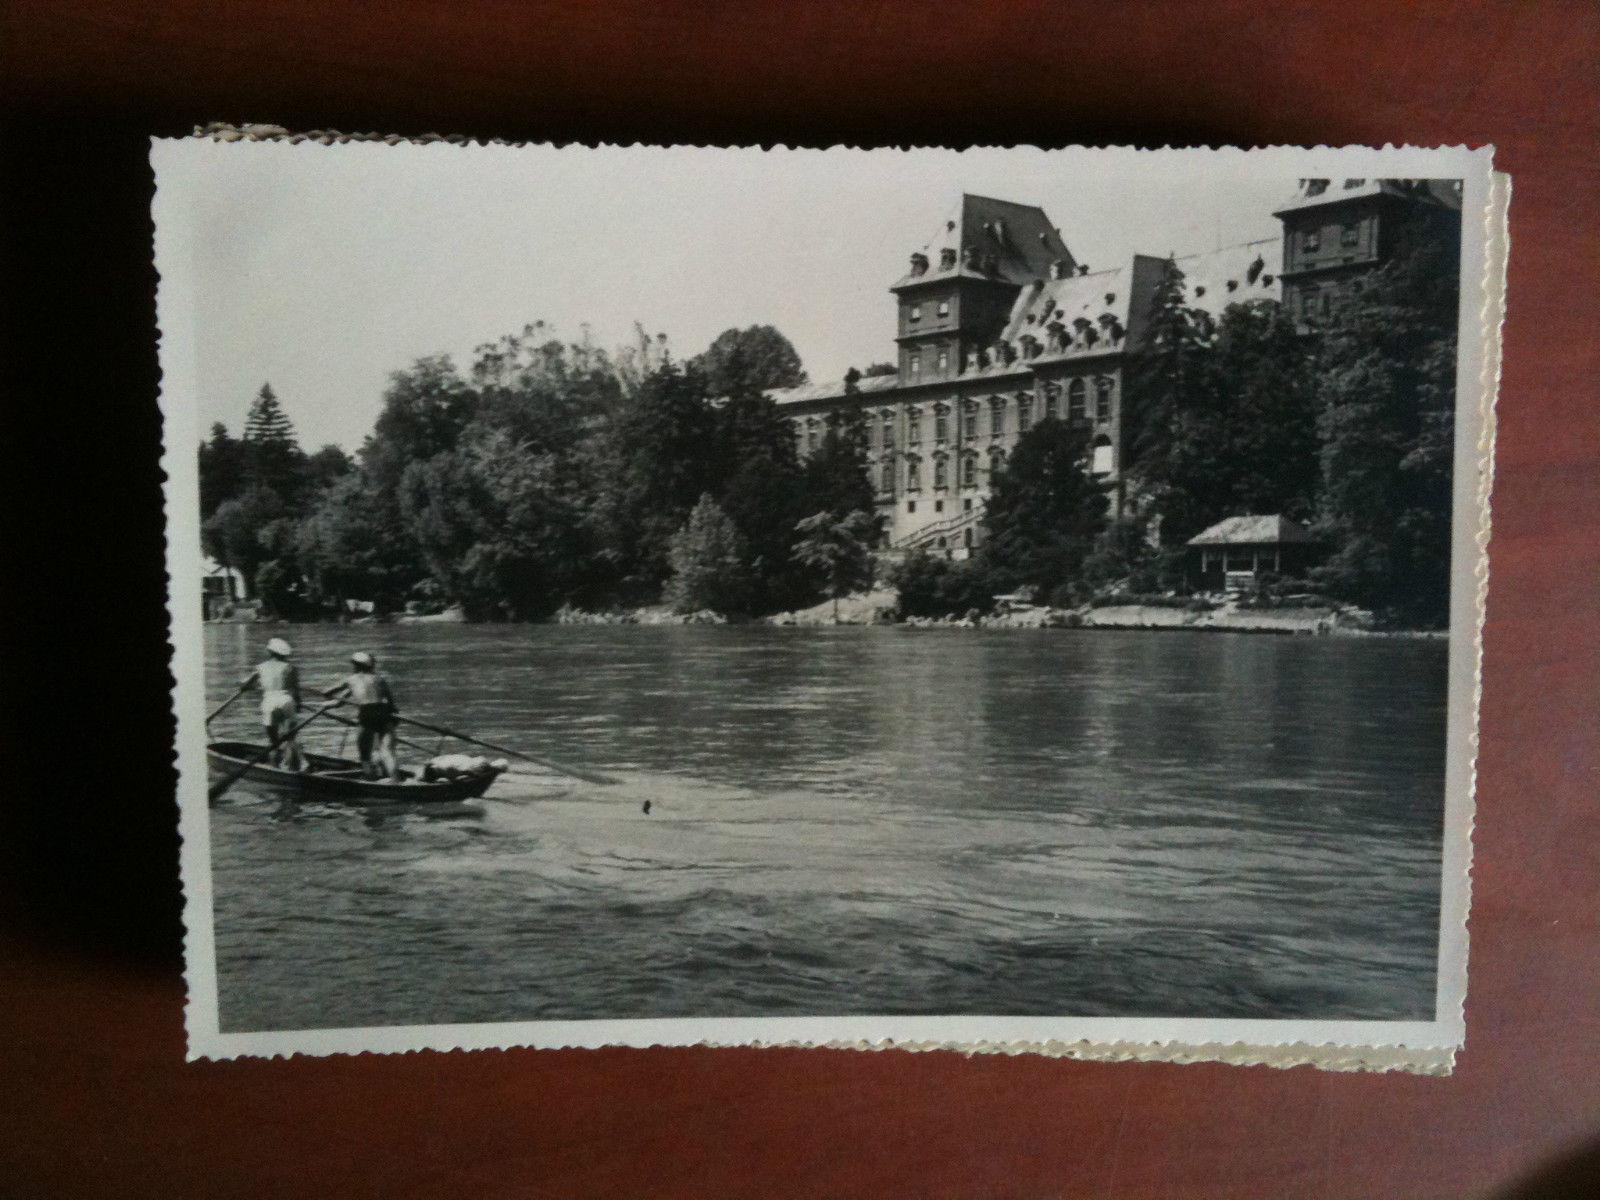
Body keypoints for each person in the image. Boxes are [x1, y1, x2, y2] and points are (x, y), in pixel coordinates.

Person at [323, 651, 401, 781]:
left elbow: (328, 693)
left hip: (366, 713)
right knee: (387, 751)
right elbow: (392, 704)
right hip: (383, 712)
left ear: (357, 666)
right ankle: (395, 781)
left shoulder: (351, 680)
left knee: (365, 753)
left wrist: (327, 697)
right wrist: (331, 704)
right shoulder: (379, 679)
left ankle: (369, 778)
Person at [243, 637, 305, 771]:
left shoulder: (260, 668)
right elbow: (296, 691)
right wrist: (298, 705)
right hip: (285, 700)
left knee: (273, 742)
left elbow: (244, 684)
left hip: (269, 702)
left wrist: (249, 686)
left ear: (270, 652)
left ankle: (275, 768)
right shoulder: (291, 668)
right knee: (291, 739)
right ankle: (292, 768)